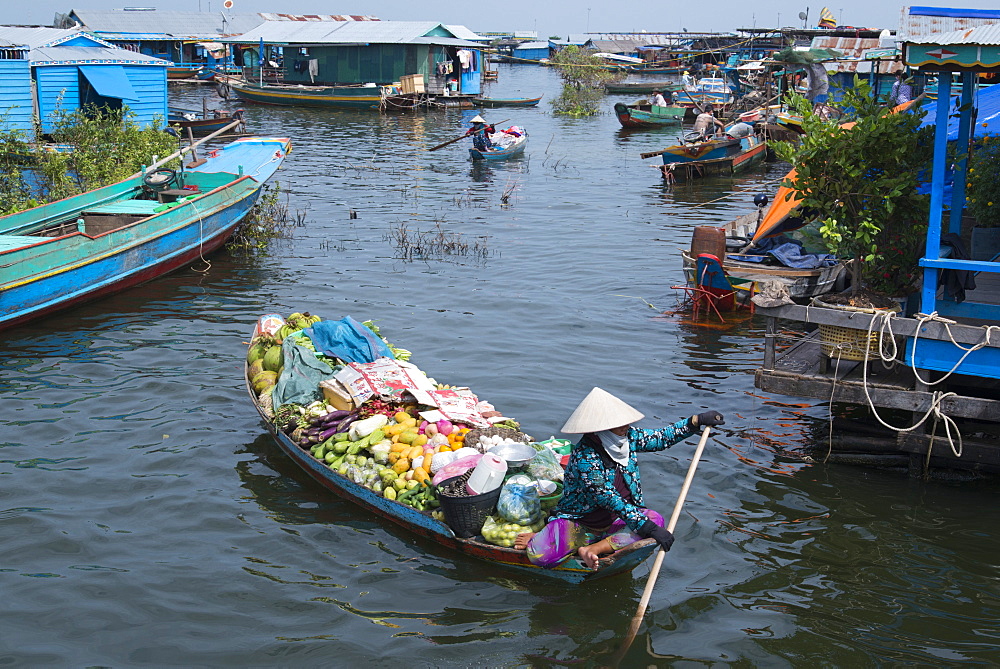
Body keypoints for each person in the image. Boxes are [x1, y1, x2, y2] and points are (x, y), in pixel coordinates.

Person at [514, 387, 725, 570]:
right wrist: (646, 529)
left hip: (614, 522)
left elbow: (660, 439)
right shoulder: (586, 456)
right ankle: (546, 537)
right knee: (541, 556)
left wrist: (694, 422)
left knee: (656, 520)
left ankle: (594, 548)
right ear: (600, 428)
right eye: (618, 424)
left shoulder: (628, 438)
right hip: (580, 524)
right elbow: (608, 498)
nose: (626, 426)